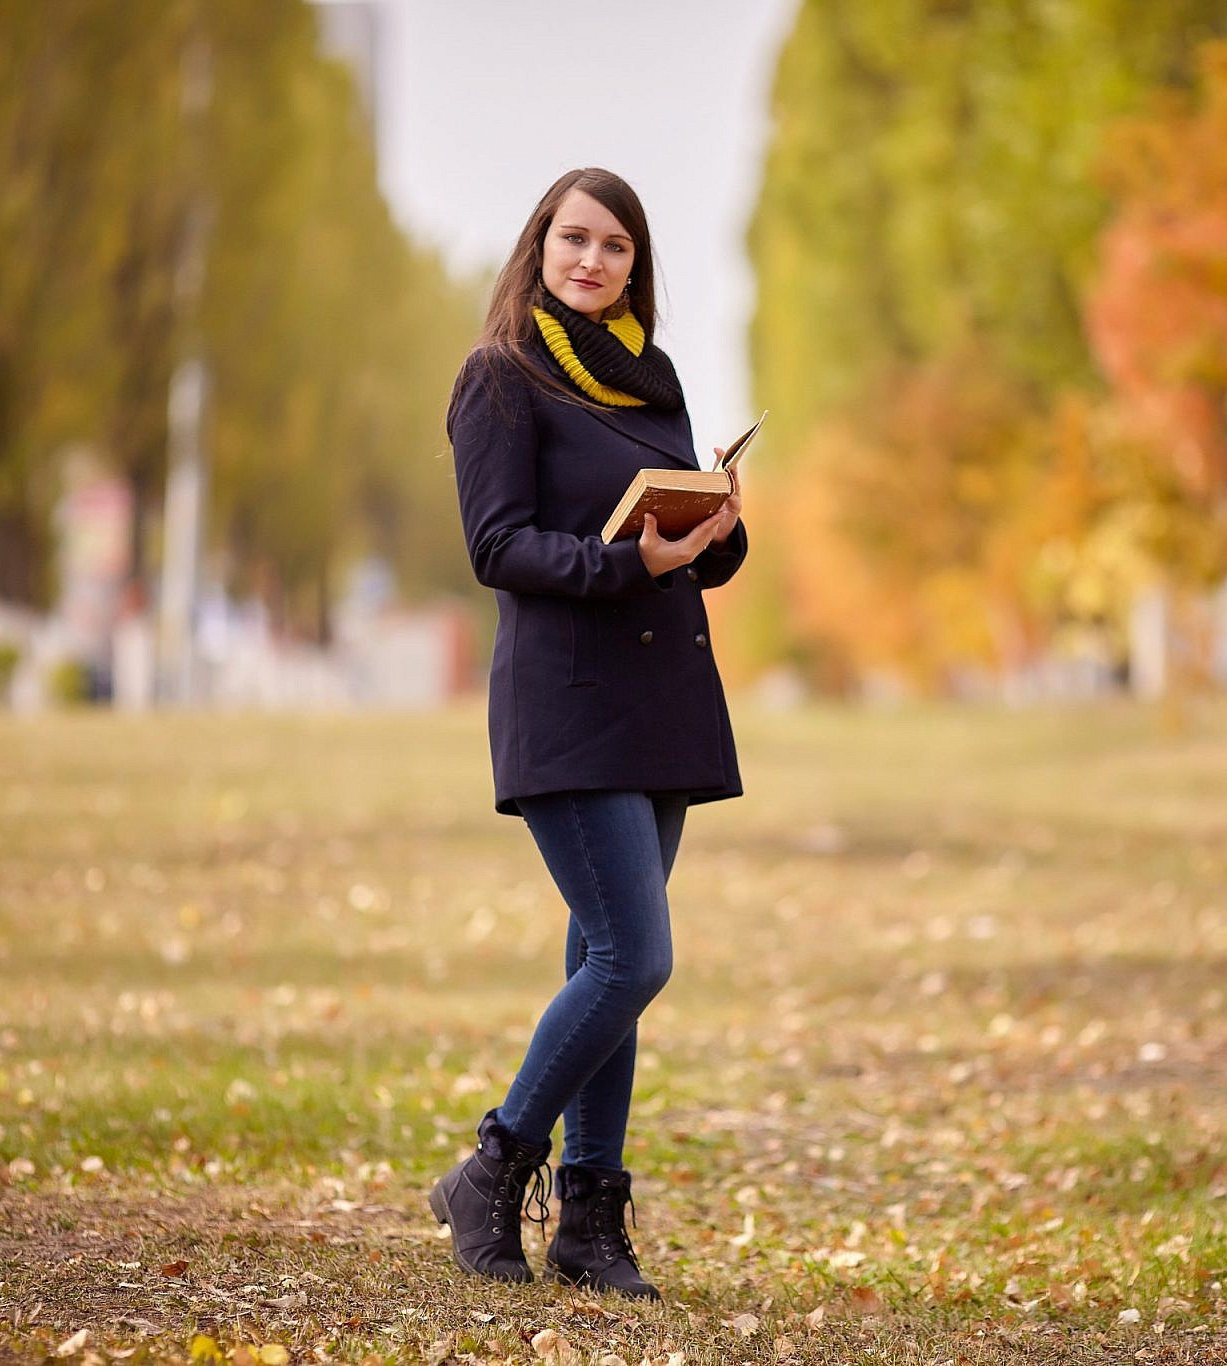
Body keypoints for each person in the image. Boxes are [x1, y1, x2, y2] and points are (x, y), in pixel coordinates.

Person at [430, 167, 749, 1300]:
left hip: (658, 704)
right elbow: (498, 548)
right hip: (565, 704)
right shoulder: (499, 380)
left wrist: (713, 527)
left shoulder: (649, 377)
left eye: (615, 246)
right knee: (632, 957)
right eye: (575, 238)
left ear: (634, 266)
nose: (593, 261)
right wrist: (628, 562)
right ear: (538, 246)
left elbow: (684, 541)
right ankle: (493, 1166)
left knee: (601, 963)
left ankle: (588, 1224)